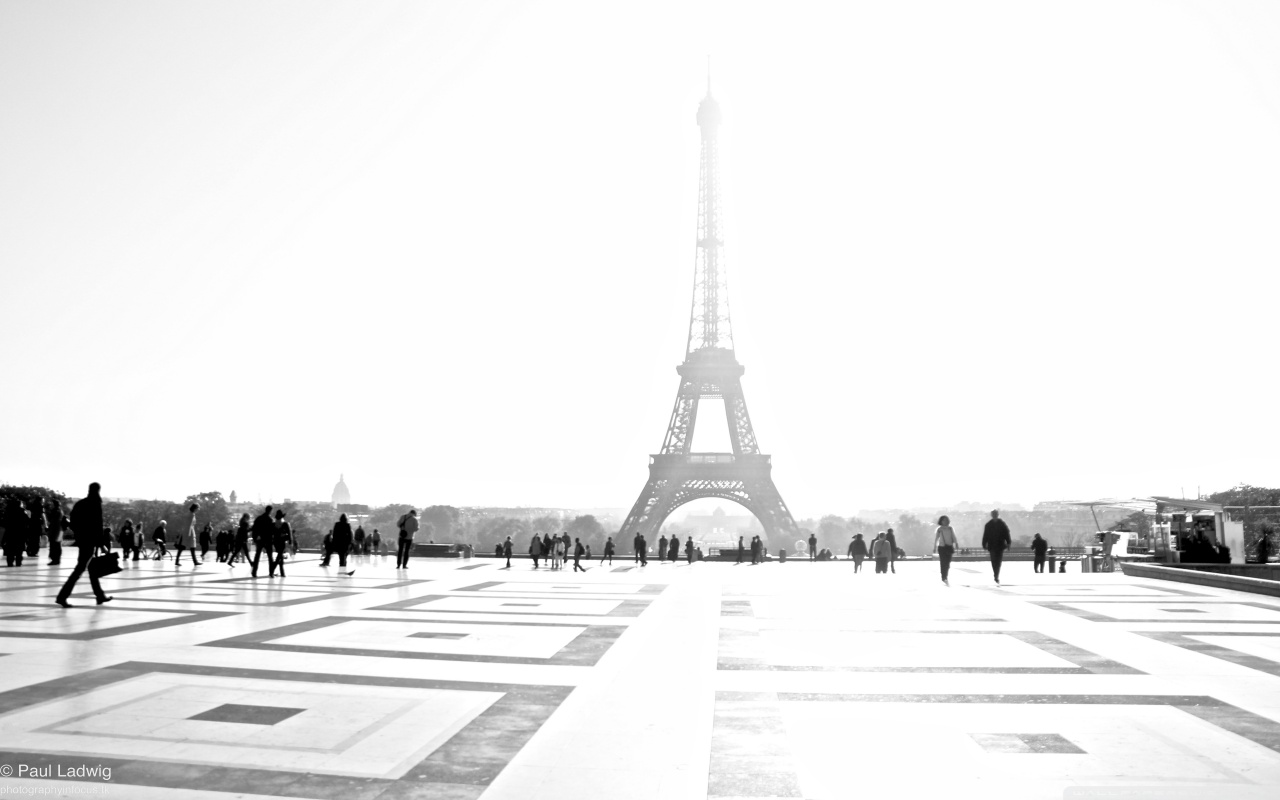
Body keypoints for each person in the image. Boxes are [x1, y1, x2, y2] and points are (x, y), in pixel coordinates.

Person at [55, 482, 112, 607]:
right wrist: (101, 543)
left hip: (83, 540)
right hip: (90, 541)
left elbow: (73, 522)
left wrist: (80, 535)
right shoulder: (95, 503)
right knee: (80, 569)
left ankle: (100, 596)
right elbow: (97, 525)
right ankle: (62, 596)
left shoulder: (81, 503)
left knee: (91, 569)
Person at [981, 509, 1011, 585]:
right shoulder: (988, 525)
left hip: (1000, 545)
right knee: (994, 561)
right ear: (992, 515)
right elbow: (985, 535)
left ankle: (996, 574)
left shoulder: (1002, 524)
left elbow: (1006, 534)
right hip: (992, 546)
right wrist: (984, 544)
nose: (995, 516)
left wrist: (1008, 543)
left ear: (997, 515)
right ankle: (996, 574)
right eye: (994, 514)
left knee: (998, 561)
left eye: (995, 514)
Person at [249, 505, 275, 577]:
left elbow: (254, 528)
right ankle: (271, 572)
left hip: (260, 539)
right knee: (270, 557)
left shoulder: (259, 518)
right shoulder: (270, 520)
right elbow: (272, 531)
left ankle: (254, 572)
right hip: (268, 540)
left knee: (257, 555)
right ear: (270, 511)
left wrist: (255, 538)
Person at [174, 503, 202, 567]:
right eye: (198, 508)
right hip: (189, 532)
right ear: (195, 508)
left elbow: (186, 524)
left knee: (184, 547)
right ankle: (195, 562)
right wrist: (189, 534)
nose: (198, 509)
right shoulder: (192, 515)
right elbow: (189, 525)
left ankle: (177, 561)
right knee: (190, 547)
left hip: (187, 531)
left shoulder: (189, 514)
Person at [3, 500, 28, 567]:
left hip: (10, 533)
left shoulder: (9, 512)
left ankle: (10, 562)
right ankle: (18, 562)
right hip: (20, 533)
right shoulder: (23, 512)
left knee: (10, 548)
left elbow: (5, 523)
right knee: (19, 549)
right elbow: (27, 523)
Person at [934, 515, 957, 586]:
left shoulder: (950, 528)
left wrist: (956, 543)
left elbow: (953, 536)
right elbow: (936, 539)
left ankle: (945, 575)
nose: (946, 521)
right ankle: (943, 576)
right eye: (945, 520)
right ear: (941, 521)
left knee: (947, 563)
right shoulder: (939, 529)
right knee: (943, 562)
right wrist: (934, 547)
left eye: (947, 520)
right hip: (942, 547)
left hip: (949, 547)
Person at [271, 510, 291, 577]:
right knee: (279, 556)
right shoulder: (285, 524)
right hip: (282, 542)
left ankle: (282, 572)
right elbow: (289, 533)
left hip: (276, 542)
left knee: (280, 556)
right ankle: (272, 570)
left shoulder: (273, 524)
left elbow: (271, 534)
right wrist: (289, 540)